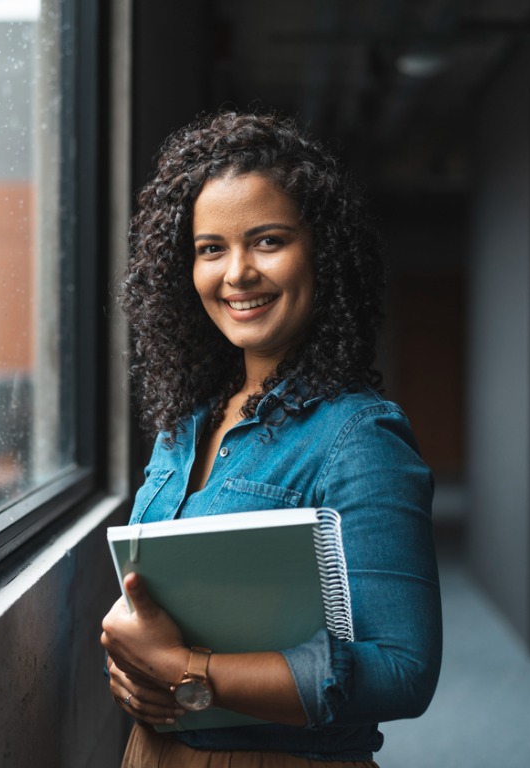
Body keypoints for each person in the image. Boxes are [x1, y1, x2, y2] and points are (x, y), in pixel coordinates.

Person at [100, 111, 442, 767]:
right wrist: (135, 669)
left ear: (324, 253)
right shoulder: (185, 423)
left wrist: (186, 673)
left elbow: (403, 670)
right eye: (211, 248)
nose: (237, 273)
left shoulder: (358, 436)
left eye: (268, 241)